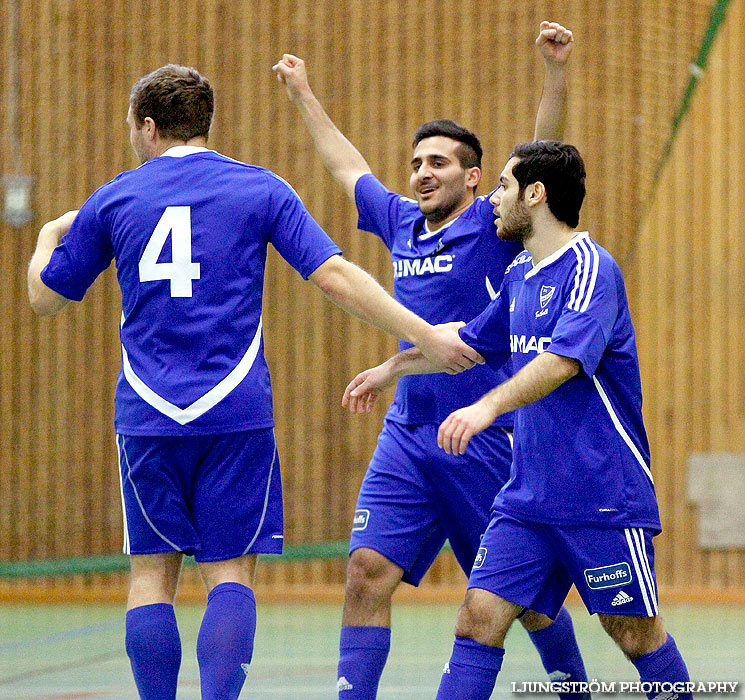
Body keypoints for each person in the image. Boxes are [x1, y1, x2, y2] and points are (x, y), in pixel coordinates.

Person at [26, 64, 482, 700]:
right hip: (234, 409)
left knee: (151, 577)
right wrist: (424, 334)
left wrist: (47, 235)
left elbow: (45, 299)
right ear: (205, 124)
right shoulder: (259, 189)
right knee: (231, 575)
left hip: (147, 414)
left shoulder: (114, 197)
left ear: (148, 126)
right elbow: (335, 276)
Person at [275, 22, 590, 700]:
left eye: (438, 162)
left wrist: (554, 73)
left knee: (529, 603)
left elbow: (542, 153)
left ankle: (574, 689)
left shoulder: (491, 225)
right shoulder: (396, 221)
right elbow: (343, 164)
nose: (422, 172)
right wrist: (303, 93)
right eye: (416, 162)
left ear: (474, 178)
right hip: (408, 436)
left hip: (482, 440)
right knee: (364, 572)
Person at [346, 141, 693, 700]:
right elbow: (465, 342)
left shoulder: (591, 268)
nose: (496, 200)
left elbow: (561, 362)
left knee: (632, 632)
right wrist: (394, 366)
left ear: (535, 194)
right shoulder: (520, 277)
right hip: (526, 499)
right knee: (478, 617)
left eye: (504, 187)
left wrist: (486, 407)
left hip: (600, 496)